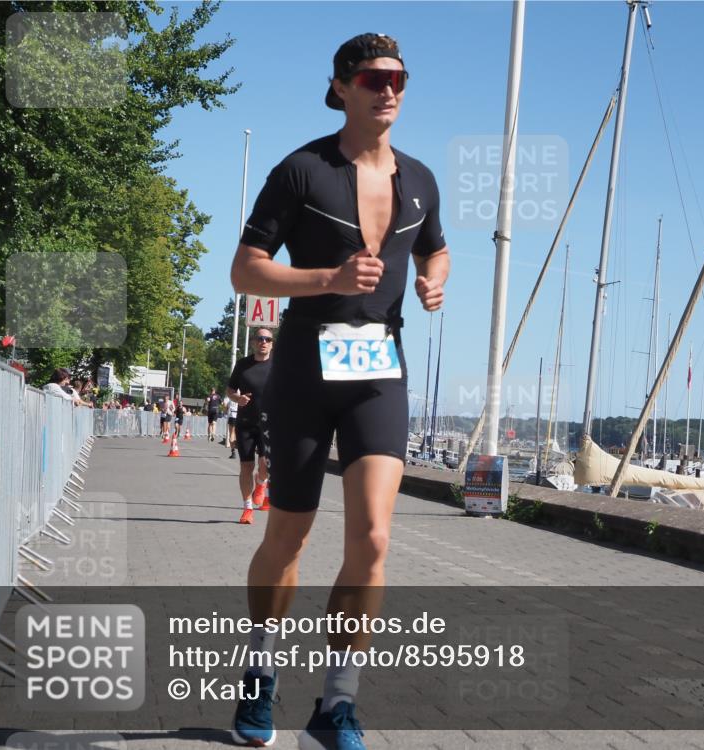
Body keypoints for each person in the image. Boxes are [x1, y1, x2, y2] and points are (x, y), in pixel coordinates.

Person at [228, 32, 449, 750]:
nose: (389, 89)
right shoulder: (302, 170)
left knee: (375, 538)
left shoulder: (419, 179)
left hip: (377, 369)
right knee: (287, 533)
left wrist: (433, 277)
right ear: (342, 86)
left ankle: (336, 705)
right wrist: (325, 280)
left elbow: (435, 245)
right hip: (303, 367)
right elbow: (245, 270)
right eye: (373, 77)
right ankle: (259, 673)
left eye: (399, 79)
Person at [226, 328, 274, 524]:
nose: (263, 342)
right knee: (246, 466)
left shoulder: (279, 364)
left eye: (267, 339)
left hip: (270, 423)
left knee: (265, 465)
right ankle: (247, 508)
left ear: (272, 343)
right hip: (245, 423)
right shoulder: (243, 365)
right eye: (260, 338)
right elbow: (229, 390)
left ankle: (261, 483)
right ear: (253, 342)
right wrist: (237, 398)